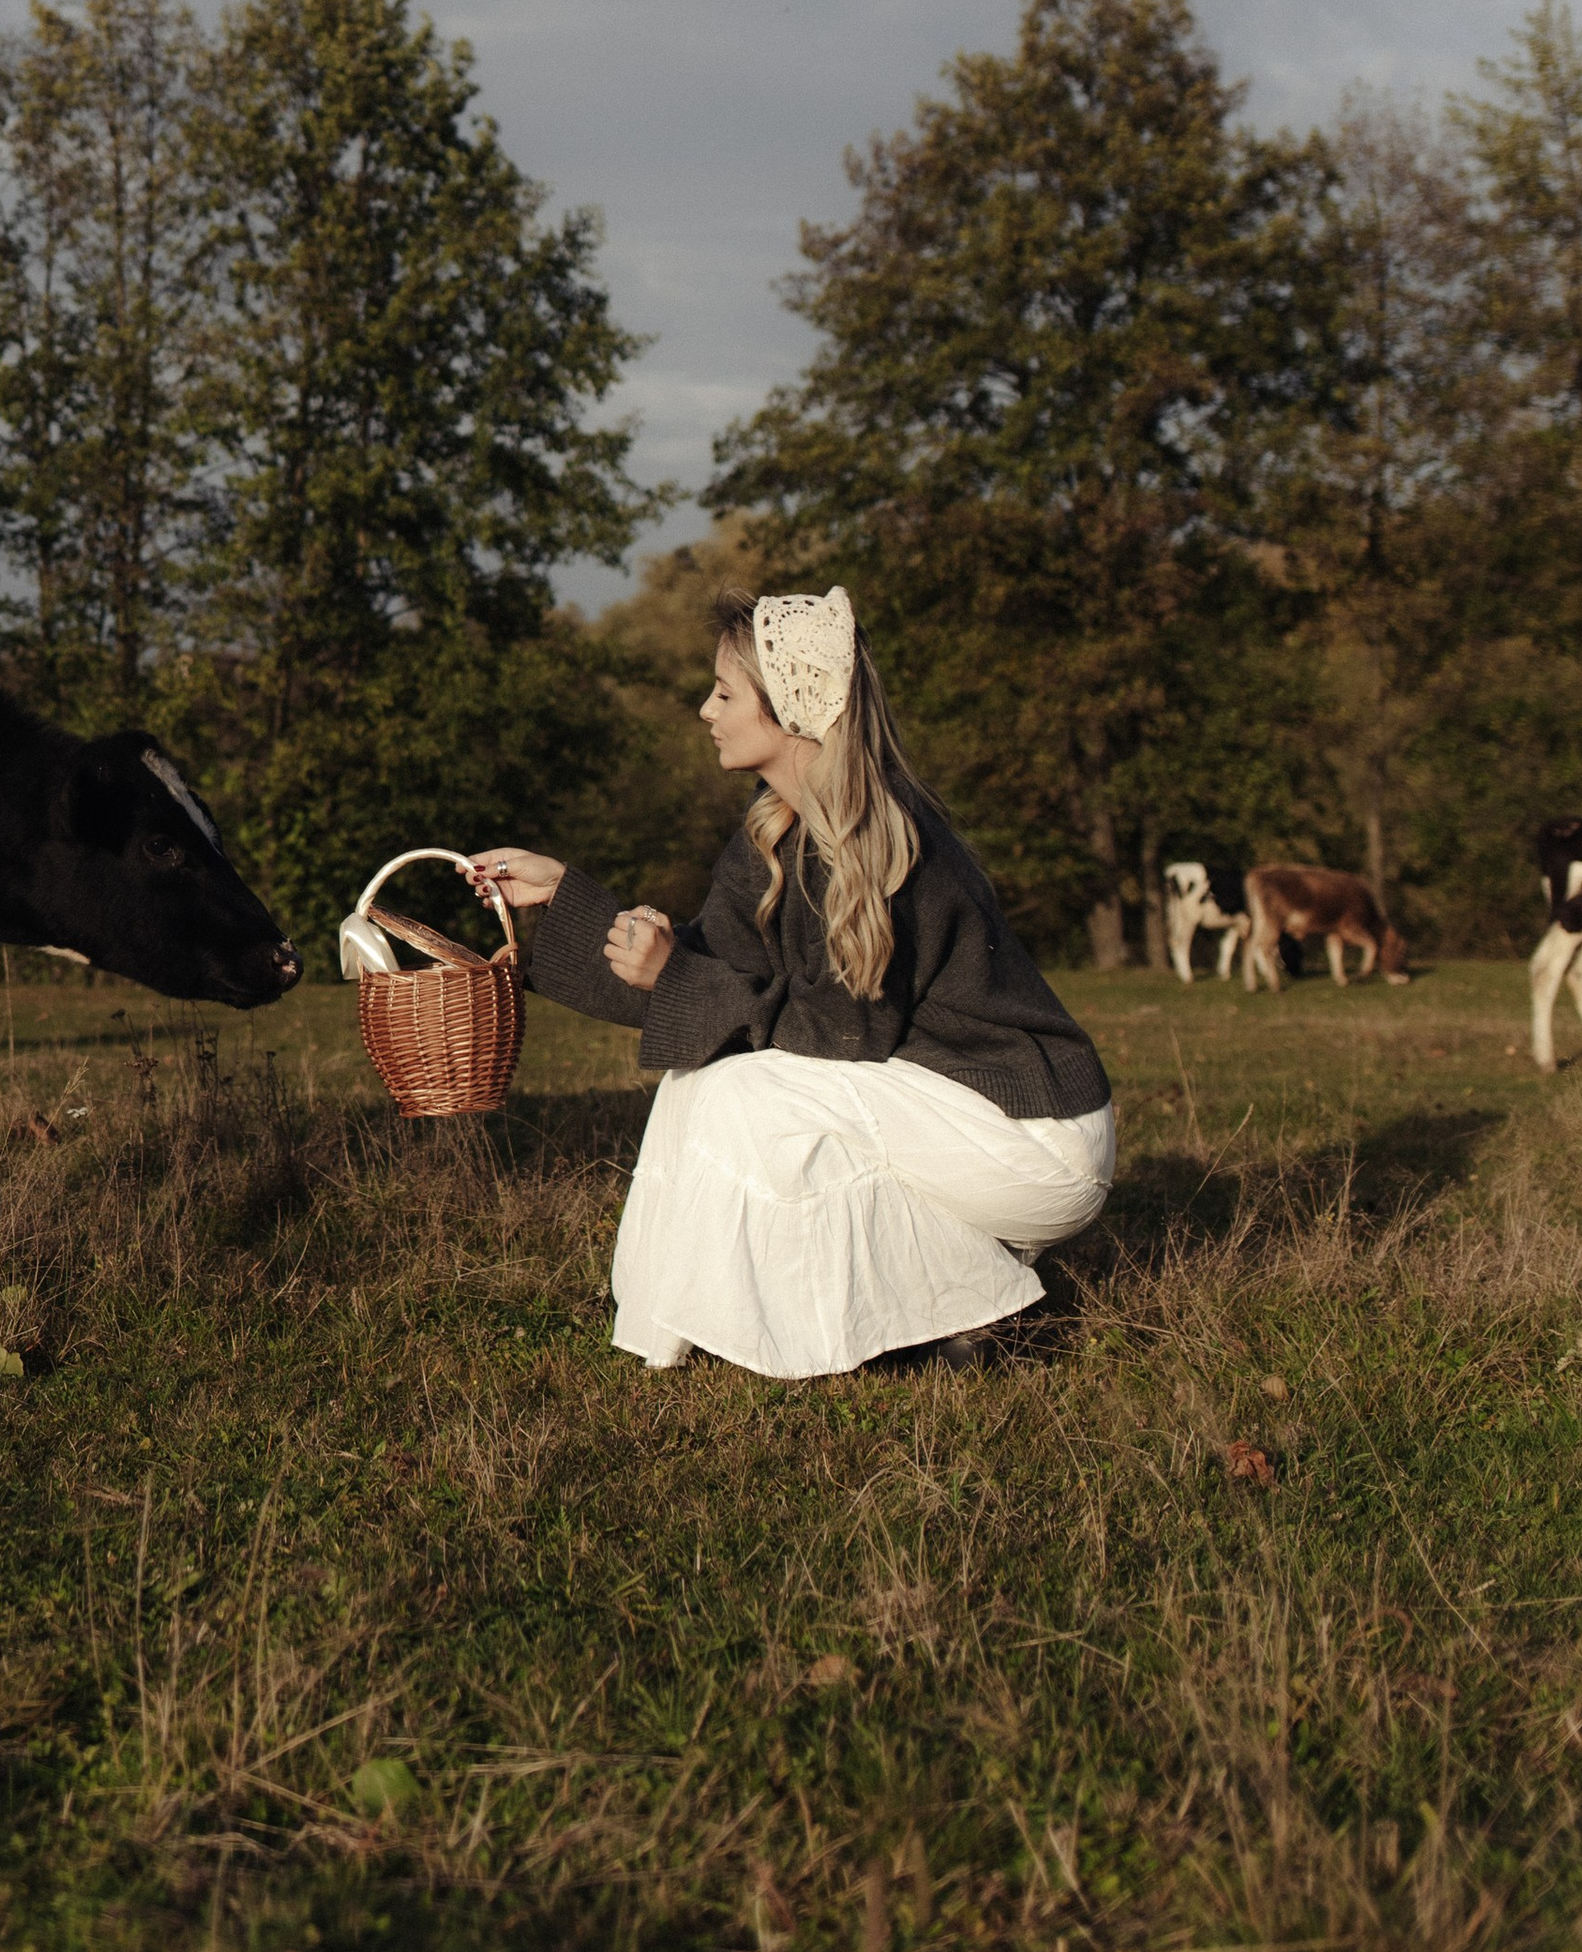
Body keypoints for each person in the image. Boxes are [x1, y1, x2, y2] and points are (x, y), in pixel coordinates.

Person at [468, 585, 1113, 1377]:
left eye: (725, 693)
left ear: (790, 709)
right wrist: (565, 898)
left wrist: (677, 974)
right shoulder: (776, 827)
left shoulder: (885, 841)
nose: (706, 710)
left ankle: (990, 1308)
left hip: (1034, 1139)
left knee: (749, 1093)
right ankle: (673, 1320)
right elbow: (712, 975)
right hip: (939, 1109)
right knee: (703, 1079)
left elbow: (838, 1034)